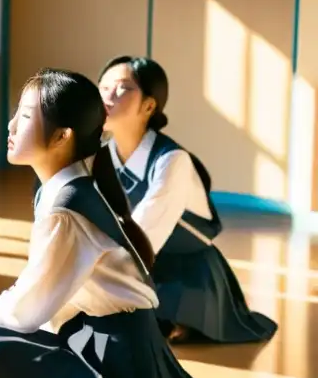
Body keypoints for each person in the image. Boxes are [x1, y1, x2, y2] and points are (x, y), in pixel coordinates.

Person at [0, 68, 209, 378]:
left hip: (119, 368)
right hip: (100, 341)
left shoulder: (67, 207)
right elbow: (41, 299)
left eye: (26, 117)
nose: (11, 125)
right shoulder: (65, 189)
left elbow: (26, 308)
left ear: (63, 136)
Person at [98, 55, 277, 343]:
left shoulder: (172, 160)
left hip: (188, 271)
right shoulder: (101, 157)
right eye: (103, 87)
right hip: (144, 263)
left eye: (121, 88)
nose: (108, 96)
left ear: (149, 105)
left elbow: (144, 233)